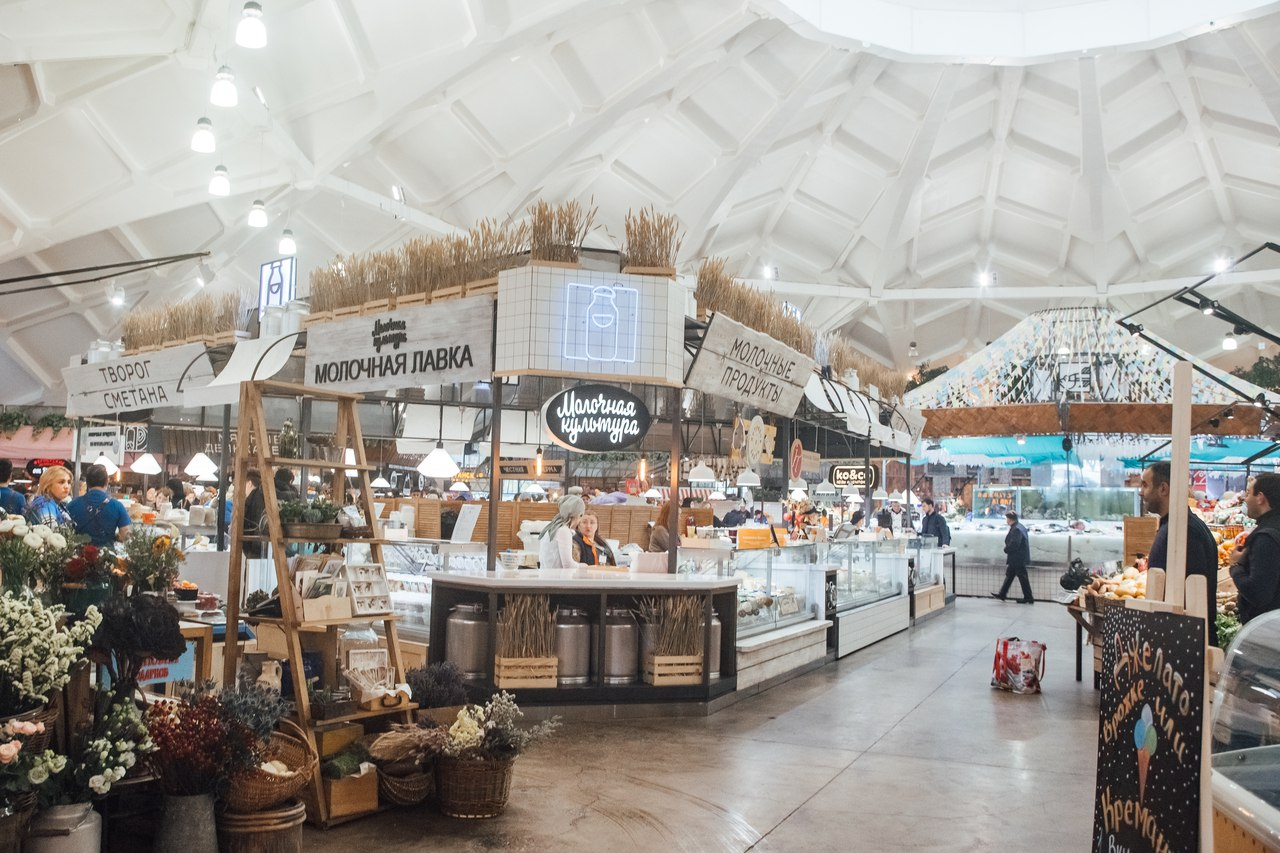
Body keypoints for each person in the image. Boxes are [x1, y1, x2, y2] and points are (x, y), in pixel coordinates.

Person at [1140, 461, 1219, 645]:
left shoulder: (1184, 531)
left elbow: (1191, 594)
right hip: (1180, 638)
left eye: (1145, 484)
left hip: (1186, 642)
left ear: (1163, 489)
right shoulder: (1176, 526)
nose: (1140, 491)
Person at [1230, 473, 1280, 625]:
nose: (1245, 499)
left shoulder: (1266, 537)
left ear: (1260, 497)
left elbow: (1258, 593)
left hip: (1267, 631)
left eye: (1248, 493)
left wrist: (1236, 566)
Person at [66, 464, 130, 547]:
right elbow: (125, 535)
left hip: (79, 556)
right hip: (107, 557)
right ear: (107, 482)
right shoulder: (117, 506)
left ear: (87, 483)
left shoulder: (72, 505)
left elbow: (66, 533)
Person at [991, 510, 1033, 603]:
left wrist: (1007, 549)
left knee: (1022, 578)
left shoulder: (1016, 529)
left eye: (1007, 518)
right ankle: (1002, 594)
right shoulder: (1020, 527)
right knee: (1010, 576)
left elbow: (1015, 544)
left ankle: (1028, 597)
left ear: (1010, 519)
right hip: (1018, 558)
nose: (1006, 520)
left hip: (1017, 558)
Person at [538, 495, 588, 569]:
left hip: (546, 576)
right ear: (576, 515)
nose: (579, 521)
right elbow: (568, 565)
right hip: (556, 578)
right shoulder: (563, 531)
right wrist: (586, 566)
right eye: (581, 516)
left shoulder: (552, 527)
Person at [241, 469, 266, 559]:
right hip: (255, 548)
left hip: (254, 550)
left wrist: (253, 552)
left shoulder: (256, 499)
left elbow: (258, 524)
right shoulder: (259, 496)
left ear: (249, 483)